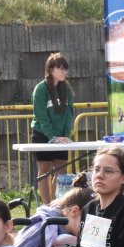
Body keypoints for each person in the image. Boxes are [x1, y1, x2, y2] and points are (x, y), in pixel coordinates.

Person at [30, 52, 76, 205]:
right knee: (44, 171)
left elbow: (69, 114)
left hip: (60, 136)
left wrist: (65, 135)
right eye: (60, 68)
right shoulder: (41, 89)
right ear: (50, 70)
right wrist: (52, 138)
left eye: (65, 69)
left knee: (61, 171)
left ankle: (56, 203)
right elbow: (42, 117)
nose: (64, 72)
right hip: (42, 135)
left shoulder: (67, 90)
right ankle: (46, 204)